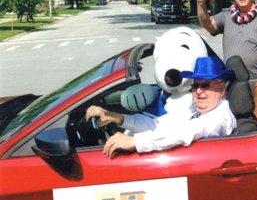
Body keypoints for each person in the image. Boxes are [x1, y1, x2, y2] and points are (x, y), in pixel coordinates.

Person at [85, 56, 237, 157]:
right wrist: (119, 118)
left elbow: (184, 133)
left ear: (222, 89)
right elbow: (157, 124)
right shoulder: (198, 109)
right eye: (195, 85)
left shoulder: (219, 118)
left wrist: (134, 142)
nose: (198, 91)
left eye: (205, 85)